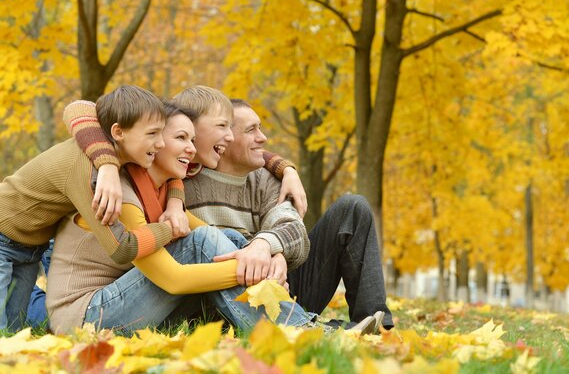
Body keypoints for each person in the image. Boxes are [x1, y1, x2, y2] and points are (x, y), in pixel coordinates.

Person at [49, 89, 380, 335]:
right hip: (91, 315)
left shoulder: (176, 184)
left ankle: (310, 326)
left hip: (236, 286)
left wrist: (268, 248)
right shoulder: (128, 182)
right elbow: (87, 110)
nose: (190, 148)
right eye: (181, 137)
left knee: (225, 237)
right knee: (203, 241)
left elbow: (278, 221)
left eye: (191, 140)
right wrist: (106, 163)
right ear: (156, 139)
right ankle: (298, 332)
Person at [182, 99, 393, 330]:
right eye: (251, 130)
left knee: (352, 208)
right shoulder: (181, 179)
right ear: (224, 139)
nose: (262, 138)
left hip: (281, 292)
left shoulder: (268, 179)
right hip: (217, 301)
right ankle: (323, 329)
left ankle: (377, 327)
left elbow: (293, 227)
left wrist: (272, 250)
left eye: (260, 128)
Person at [0, 83, 185, 331]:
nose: (161, 143)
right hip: (3, 238)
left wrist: (175, 201)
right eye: (152, 134)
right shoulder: (91, 174)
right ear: (118, 132)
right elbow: (121, 248)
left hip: (30, 248)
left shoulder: (110, 153)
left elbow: (171, 171)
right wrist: (168, 229)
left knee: (9, 331)